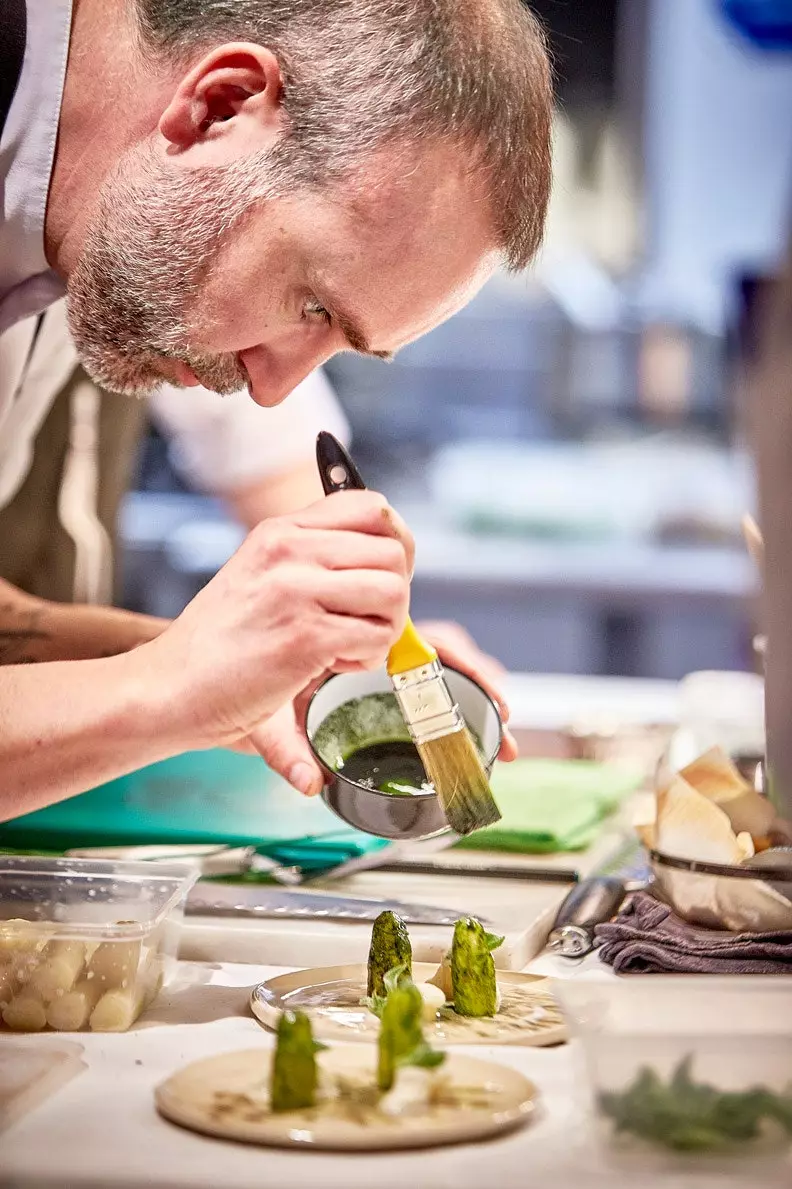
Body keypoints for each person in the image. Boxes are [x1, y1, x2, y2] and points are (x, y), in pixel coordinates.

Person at [0, 0, 552, 817]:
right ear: (219, 108)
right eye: (312, 305)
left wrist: (264, 665)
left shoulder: (97, 212)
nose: (271, 390)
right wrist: (165, 687)